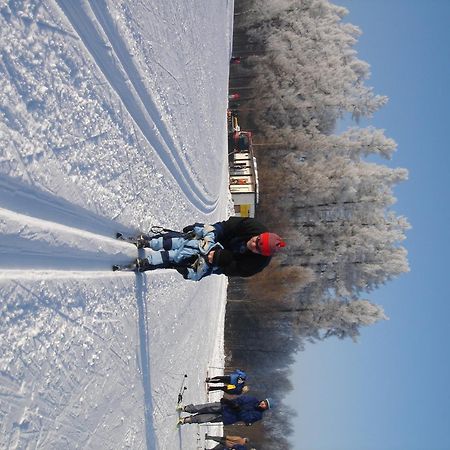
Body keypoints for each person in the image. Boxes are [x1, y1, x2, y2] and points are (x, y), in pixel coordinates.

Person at [183, 217, 286, 277]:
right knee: (206, 232)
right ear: (260, 234)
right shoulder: (253, 226)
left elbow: (232, 269)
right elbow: (226, 226)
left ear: (261, 254)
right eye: (257, 240)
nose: (253, 244)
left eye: (257, 249)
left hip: (225, 259)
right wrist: (211, 233)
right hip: (225, 237)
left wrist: (217, 259)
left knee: (198, 267)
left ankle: (178, 264)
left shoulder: (257, 264)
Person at [177, 396, 272, 426]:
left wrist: (239, 409)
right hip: (226, 406)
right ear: (263, 400)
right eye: (264, 402)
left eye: (265, 405)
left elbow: (246, 418)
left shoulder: (258, 415)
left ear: (265, 408)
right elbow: (241, 399)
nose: (263, 404)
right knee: (205, 407)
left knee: (205, 418)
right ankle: (187, 408)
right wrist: (231, 402)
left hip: (228, 417)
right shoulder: (253, 400)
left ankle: (187, 420)